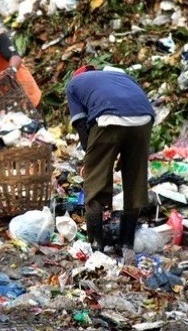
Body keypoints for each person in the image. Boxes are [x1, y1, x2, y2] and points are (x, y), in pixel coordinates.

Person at [66, 65, 154, 264]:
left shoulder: (74, 85)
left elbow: (81, 126)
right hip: (144, 118)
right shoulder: (121, 77)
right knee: (135, 182)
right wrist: (124, 155)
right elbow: (135, 108)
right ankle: (127, 247)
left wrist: (93, 161)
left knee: (95, 186)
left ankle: (97, 247)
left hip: (108, 118)